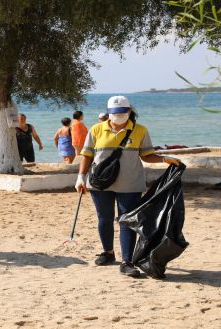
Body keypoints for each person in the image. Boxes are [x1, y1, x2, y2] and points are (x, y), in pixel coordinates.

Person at [75, 95, 181, 278]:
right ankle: (108, 252)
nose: (118, 116)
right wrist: (80, 177)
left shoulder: (140, 130)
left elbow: (147, 155)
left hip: (131, 184)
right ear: (109, 112)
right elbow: (87, 155)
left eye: (122, 112)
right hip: (100, 184)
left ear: (129, 111)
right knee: (104, 219)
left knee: (127, 221)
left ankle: (127, 261)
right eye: (114, 113)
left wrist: (164, 159)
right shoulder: (96, 129)